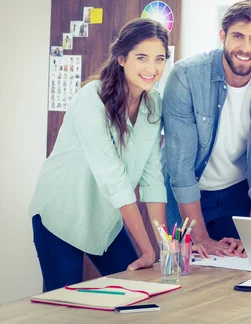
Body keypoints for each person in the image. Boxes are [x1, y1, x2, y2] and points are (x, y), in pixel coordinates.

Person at [29, 18, 170, 291]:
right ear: (121, 58)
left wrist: (165, 249)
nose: (152, 68)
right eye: (142, 58)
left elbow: (153, 179)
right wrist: (147, 251)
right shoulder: (90, 99)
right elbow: (114, 180)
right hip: (61, 217)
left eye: (159, 59)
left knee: (136, 293)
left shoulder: (153, 105)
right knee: (63, 307)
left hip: (105, 221)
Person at [162, 0, 251, 258]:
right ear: (222, 36)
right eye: (237, 36)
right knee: (185, 272)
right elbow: (180, 165)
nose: (245, 48)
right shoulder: (186, 76)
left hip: (238, 193)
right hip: (185, 195)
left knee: (239, 267)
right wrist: (201, 237)